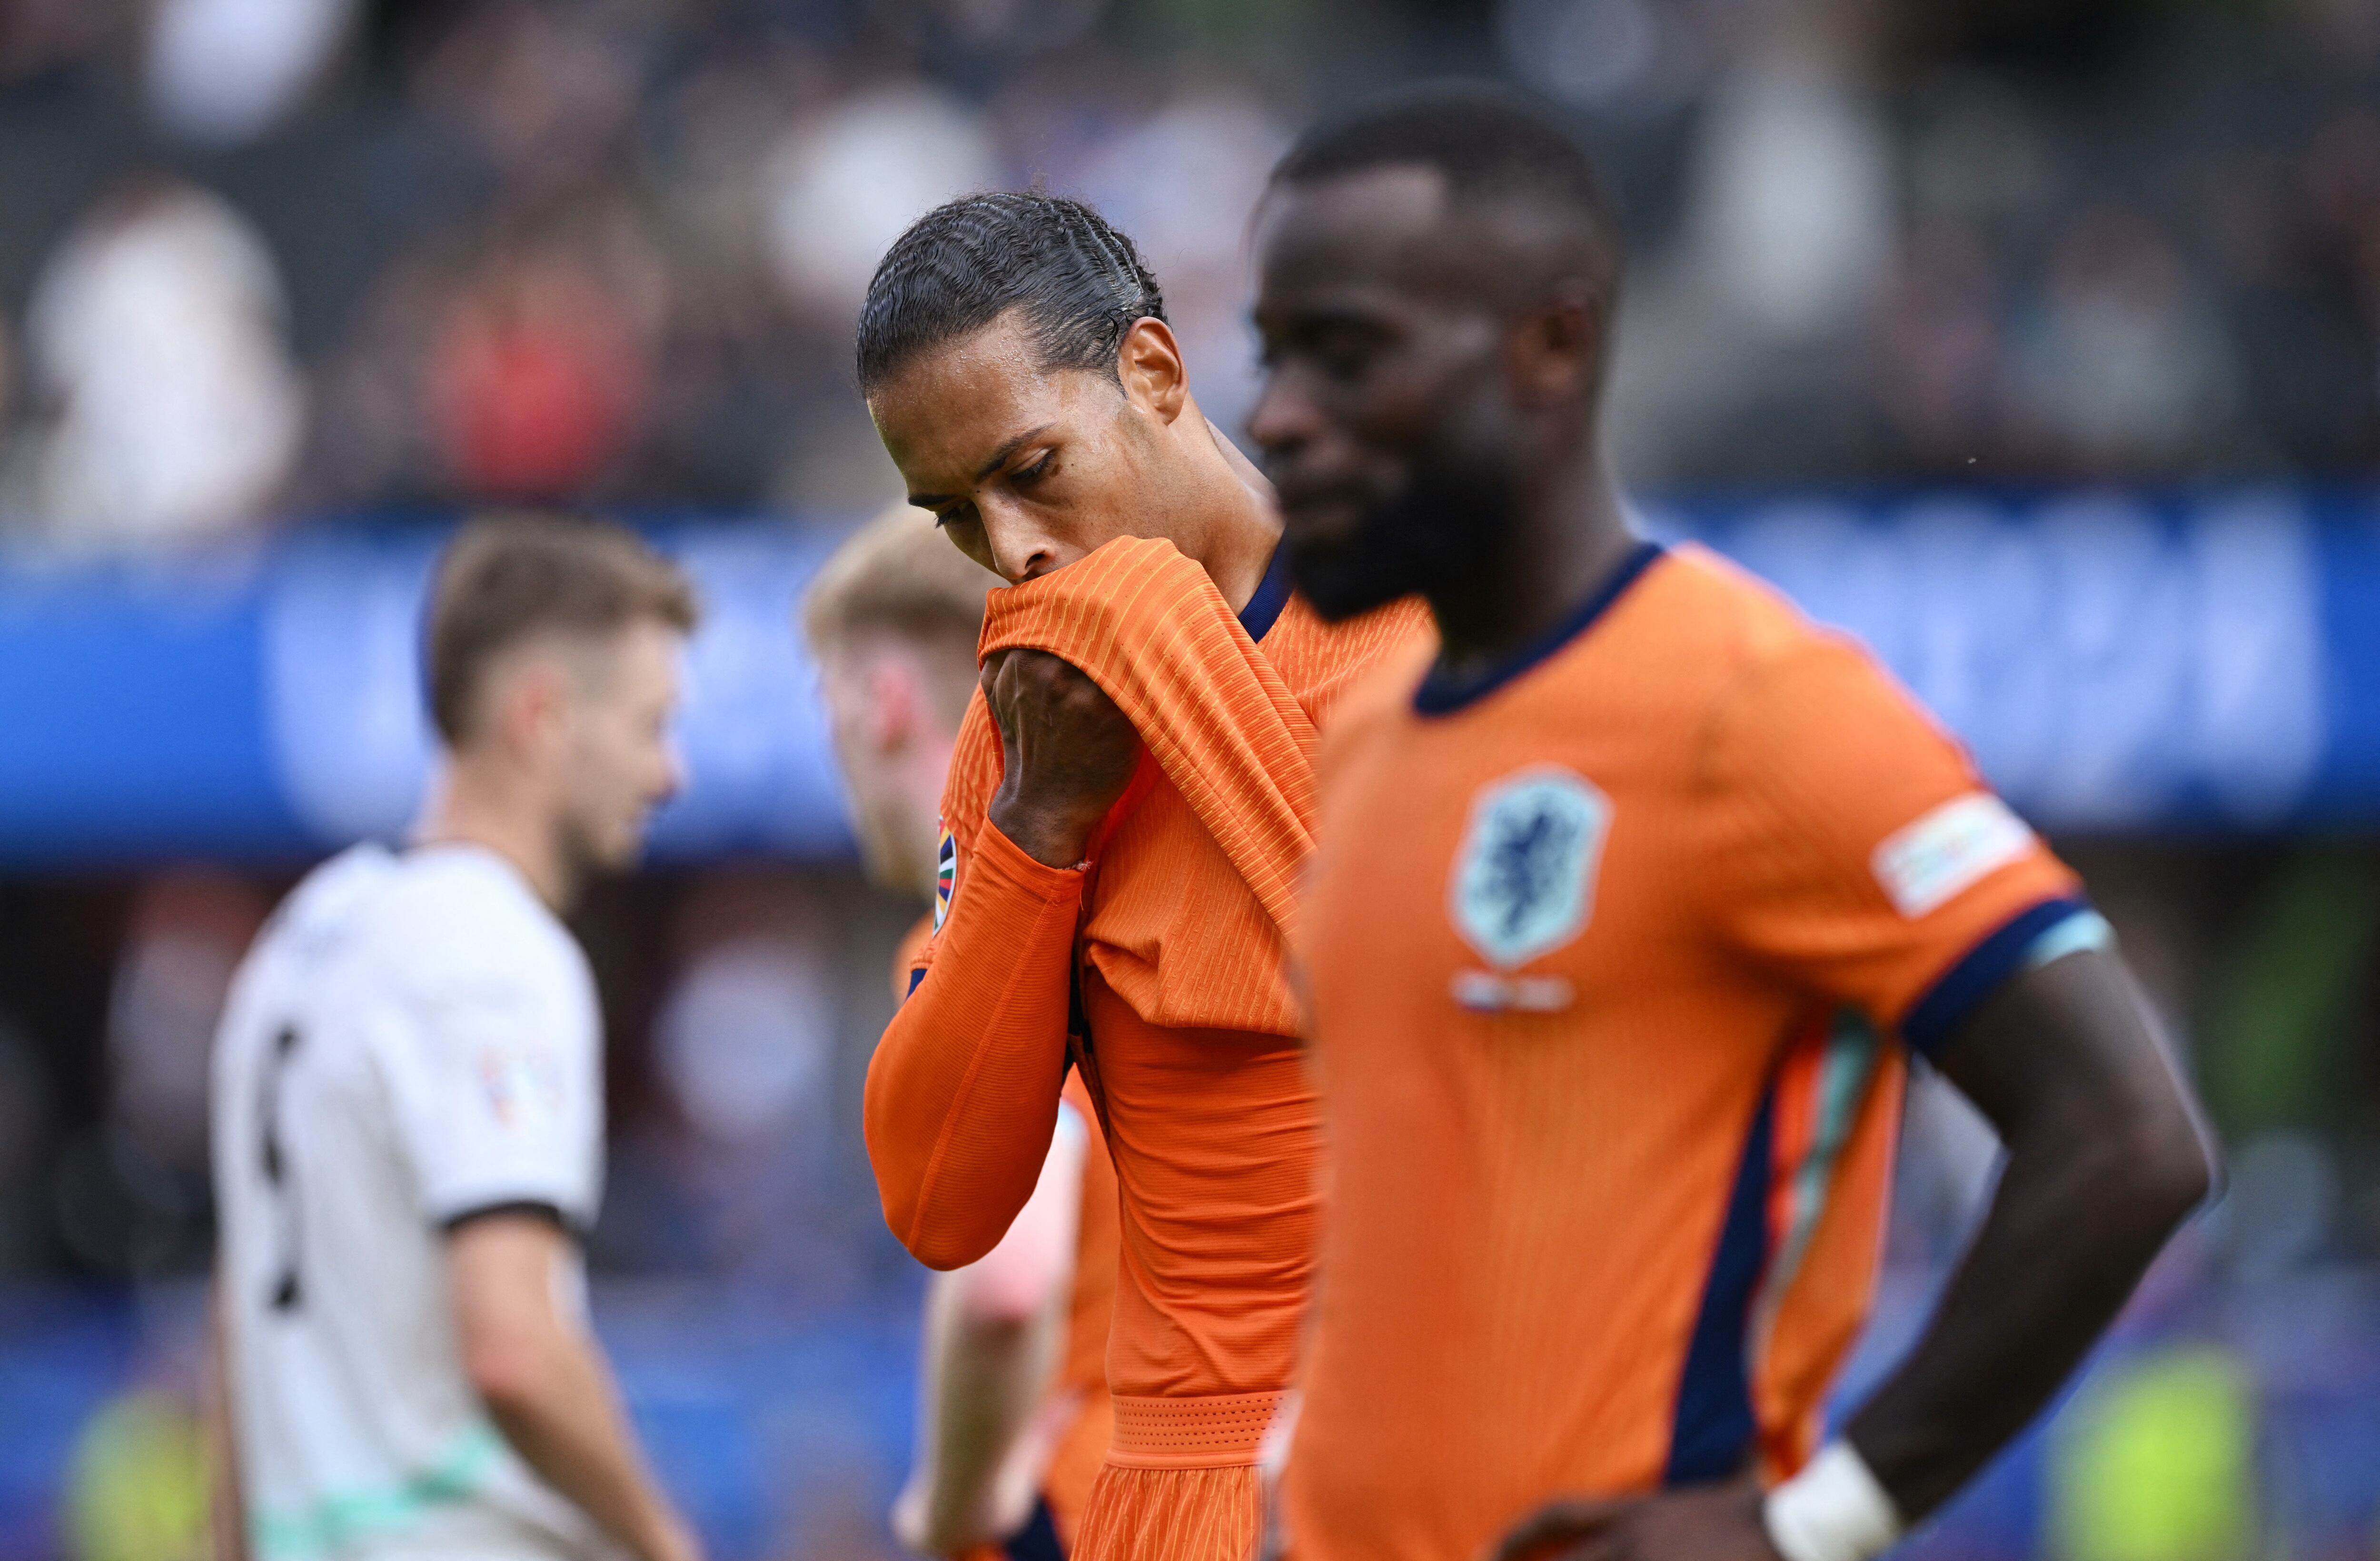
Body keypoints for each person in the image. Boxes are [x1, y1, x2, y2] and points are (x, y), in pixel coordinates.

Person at [1244, 84, 2218, 1561]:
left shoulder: (1755, 710)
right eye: (1274, 356)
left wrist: (1815, 1521)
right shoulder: (1366, 739)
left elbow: (2130, 1139)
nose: (1281, 418)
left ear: (1551, 350)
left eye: (1349, 353)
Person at [854, 193, 1431, 1561]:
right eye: (952, 516)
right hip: (1175, 1502)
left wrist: (1157, 629)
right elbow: (940, 1199)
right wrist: (1041, 822)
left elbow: (1435, 1038)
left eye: (1033, 469)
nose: (1013, 554)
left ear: (1157, 376)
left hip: (1433, 1461)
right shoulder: (1028, 726)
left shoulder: (1438, 633)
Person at [208, 515, 704, 1561]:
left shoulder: (304, 938)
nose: (671, 775)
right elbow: (515, 1347)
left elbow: (237, 1324)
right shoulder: (493, 957)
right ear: (542, 716)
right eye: (650, 725)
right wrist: (664, 1539)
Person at [803, 504, 1121, 1560]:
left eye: (828, 702)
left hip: (1079, 1510)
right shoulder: (1126, 897)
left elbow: (1005, 1280)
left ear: (879, 700)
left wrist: (946, 1508)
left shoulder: (977, 942)